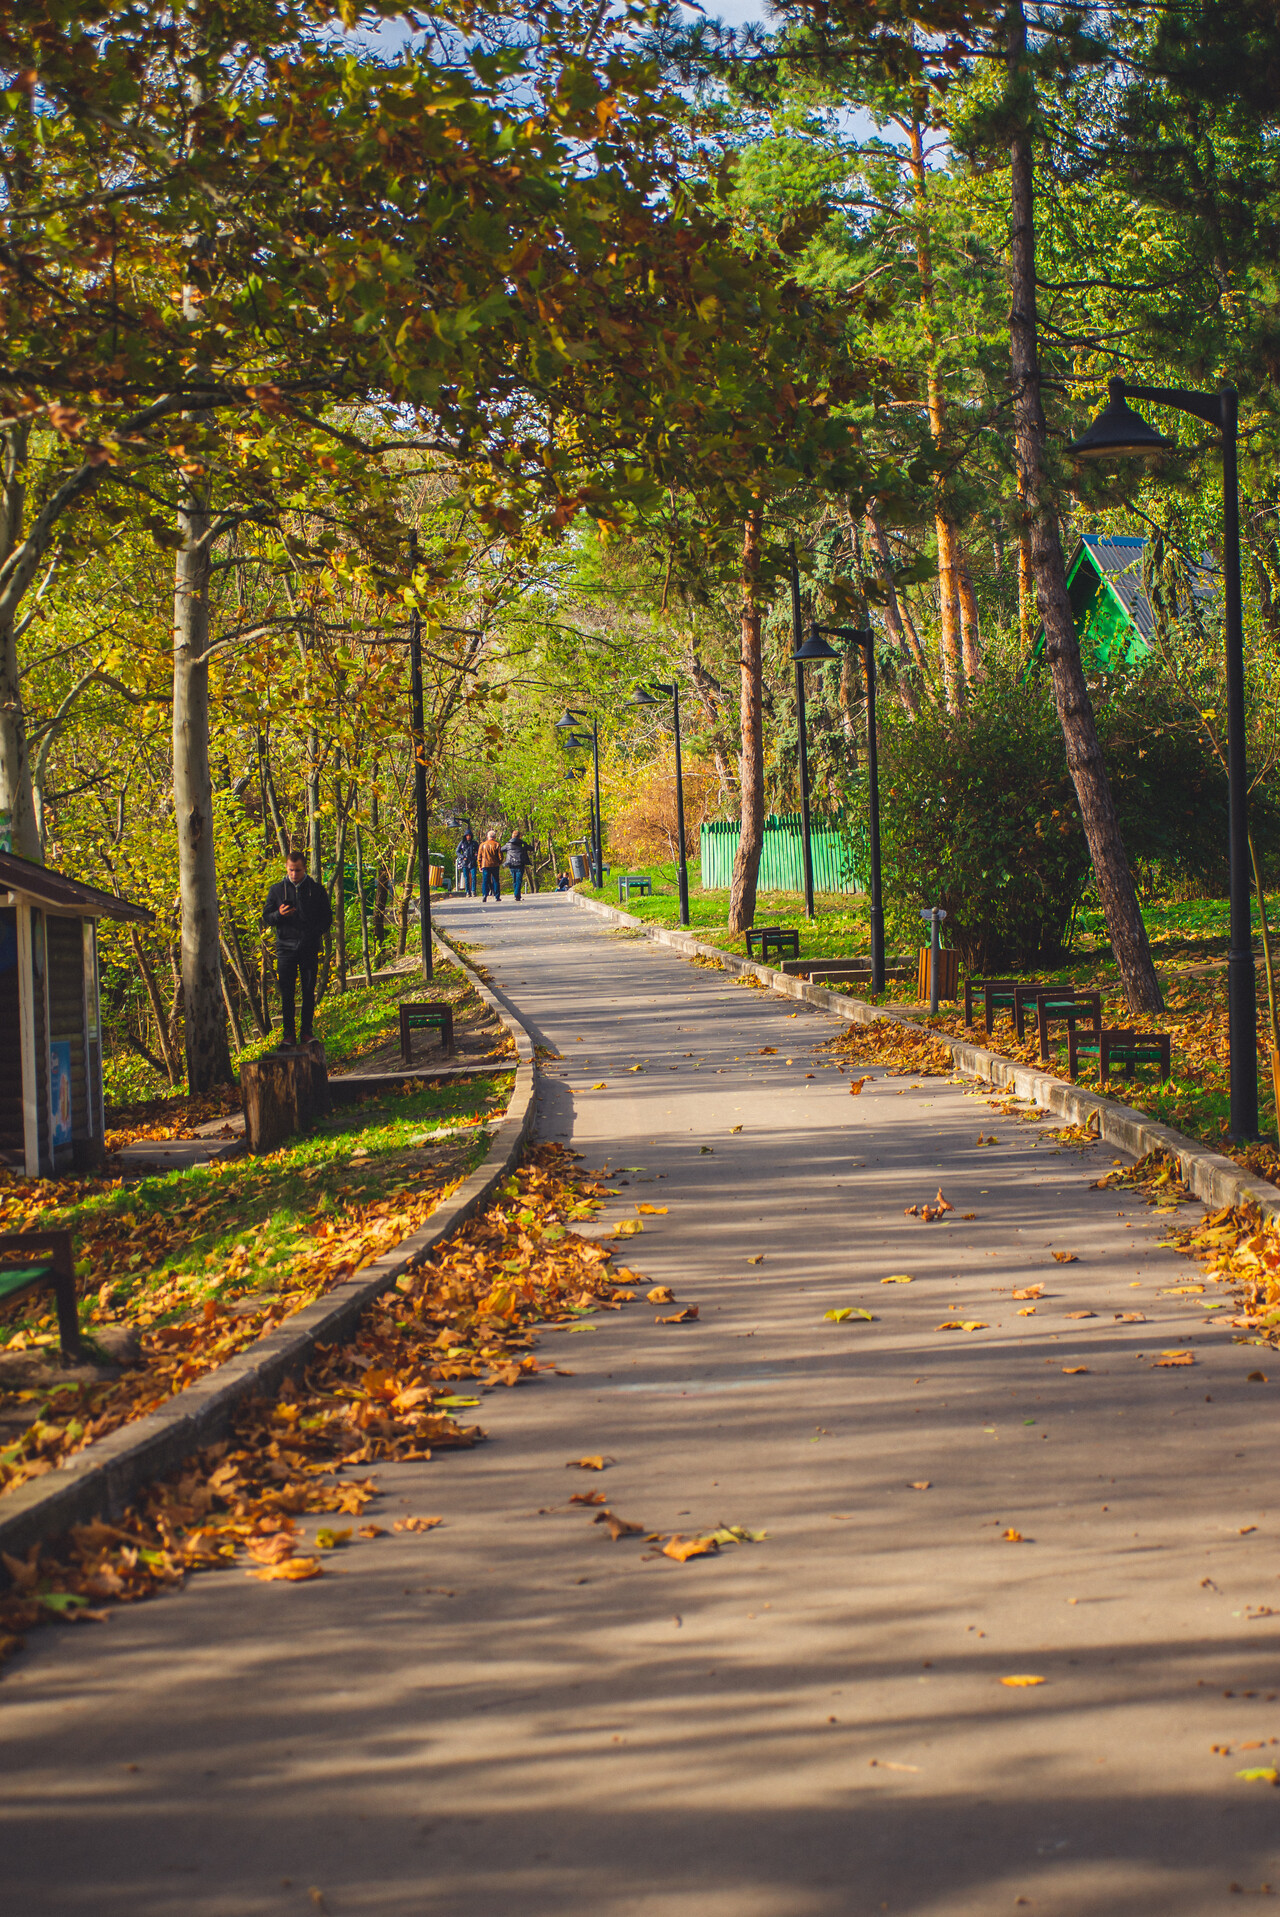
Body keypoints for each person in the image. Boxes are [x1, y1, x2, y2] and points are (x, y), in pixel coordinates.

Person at [262, 847, 333, 1046]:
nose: (294, 874)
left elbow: (327, 918)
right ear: (286, 868)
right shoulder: (276, 890)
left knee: (308, 990)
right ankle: (288, 1035)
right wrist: (279, 914)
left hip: (309, 947)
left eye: (298, 870)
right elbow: (267, 918)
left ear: (305, 869)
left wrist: (314, 933)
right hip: (285, 948)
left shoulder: (316, 890)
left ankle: (306, 1032)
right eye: (291, 870)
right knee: (287, 993)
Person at [504, 828, 531, 901]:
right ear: (519, 836)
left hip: (511, 864)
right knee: (519, 880)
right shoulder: (522, 844)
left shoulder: (508, 844)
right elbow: (531, 848)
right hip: (520, 864)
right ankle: (517, 894)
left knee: (515, 880)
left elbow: (501, 849)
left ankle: (517, 894)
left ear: (512, 836)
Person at [477, 829, 502, 901]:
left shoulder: (482, 845)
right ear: (494, 837)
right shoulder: (497, 844)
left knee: (485, 881)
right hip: (495, 865)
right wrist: (499, 862)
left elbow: (479, 856)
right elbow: (500, 856)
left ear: (488, 837)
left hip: (485, 865)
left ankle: (485, 895)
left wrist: (479, 865)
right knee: (496, 880)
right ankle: (497, 896)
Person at [455, 825, 478, 898]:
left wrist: (476, 857)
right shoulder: (462, 843)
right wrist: (462, 857)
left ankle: (473, 891)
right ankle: (467, 892)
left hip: (473, 862)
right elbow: (457, 852)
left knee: (474, 877)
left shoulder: (474, 843)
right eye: (467, 835)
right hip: (465, 863)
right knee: (466, 878)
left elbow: (479, 851)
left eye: (469, 835)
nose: (468, 837)